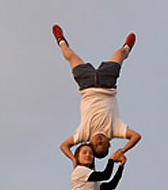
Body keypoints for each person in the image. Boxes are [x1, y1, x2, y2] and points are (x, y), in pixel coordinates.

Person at [53, 24, 141, 165]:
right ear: (109, 144)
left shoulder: (84, 134)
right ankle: (127, 48)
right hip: (107, 84)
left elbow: (64, 146)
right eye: (103, 144)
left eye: (96, 145)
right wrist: (122, 151)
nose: (99, 141)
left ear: (90, 144)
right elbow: (136, 136)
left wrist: (74, 159)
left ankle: (61, 41)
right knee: (120, 54)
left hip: (86, 85)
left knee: (71, 56)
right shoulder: (115, 130)